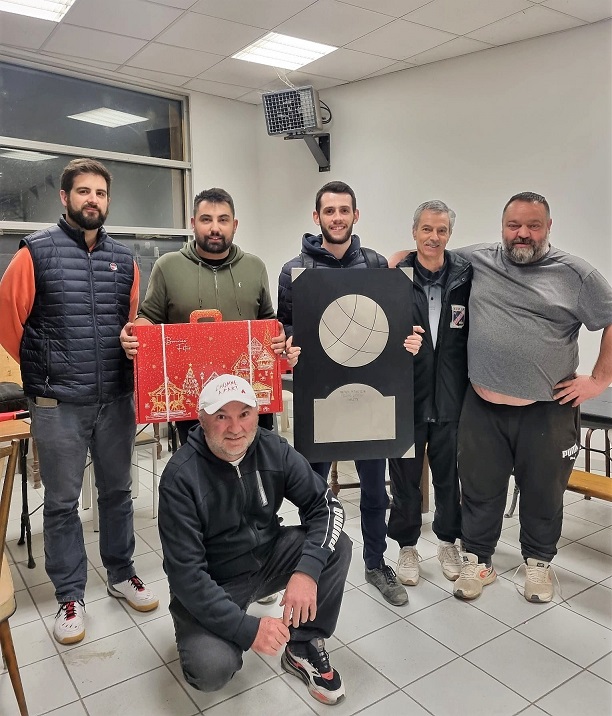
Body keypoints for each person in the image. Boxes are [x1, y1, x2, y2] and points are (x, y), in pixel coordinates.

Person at [0, 158, 158, 645]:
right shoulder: (35, 253)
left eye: (101, 193)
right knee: (64, 503)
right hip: (57, 403)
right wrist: (40, 376)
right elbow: (8, 327)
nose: (93, 200)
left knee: (116, 493)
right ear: (64, 198)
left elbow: (130, 328)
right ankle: (70, 595)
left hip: (115, 397)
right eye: (84, 191)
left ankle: (120, 572)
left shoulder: (125, 260)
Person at [453, 191, 612, 603]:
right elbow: (426, 256)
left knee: (544, 492)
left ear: (548, 228)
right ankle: (477, 561)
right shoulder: (480, 258)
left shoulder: (575, 274)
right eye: (514, 225)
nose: (522, 234)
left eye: (533, 226)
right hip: (481, 407)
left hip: (547, 412)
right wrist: (393, 261)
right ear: (502, 226)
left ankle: (538, 565)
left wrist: (599, 380)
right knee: (478, 489)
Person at [157, 374, 351, 706]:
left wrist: (306, 572)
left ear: (257, 415)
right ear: (202, 419)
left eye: (244, 414)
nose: (236, 428)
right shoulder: (180, 478)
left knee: (335, 547)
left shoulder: (272, 449)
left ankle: (303, 645)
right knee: (211, 670)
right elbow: (186, 576)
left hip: (268, 556)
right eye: (222, 417)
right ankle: (213, 628)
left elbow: (325, 506)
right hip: (215, 581)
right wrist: (249, 630)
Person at [277, 180, 423, 607]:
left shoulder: (376, 263)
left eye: (344, 210)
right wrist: (287, 344)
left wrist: (409, 340)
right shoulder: (294, 269)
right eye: (329, 210)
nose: (337, 217)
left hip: (370, 395)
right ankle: (309, 567)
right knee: (312, 488)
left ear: (355, 216)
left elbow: (397, 324)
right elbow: (283, 324)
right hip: (320, 395)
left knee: (376, 489)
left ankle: (376, 564)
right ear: (316, 216)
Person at [120, 187, 289, 445]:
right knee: (198, 478)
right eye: (206, 219)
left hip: (250, 399)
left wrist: (280, 338)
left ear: (235, 225)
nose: (215, 228)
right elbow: (148, 318)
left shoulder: (255, 267)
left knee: (258, 473)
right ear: (192, 224)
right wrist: (133, 334)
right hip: (194, 405)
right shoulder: (168, 266)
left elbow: (268, 321)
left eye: (223, 220)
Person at [388, 201, 471, 587]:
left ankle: (447, 542)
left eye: (441, 230)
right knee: (404, 480)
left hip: (452, 398)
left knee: (448, 479)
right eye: (426, 229)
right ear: (414, 231)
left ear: (449, 234)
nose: (433, 237)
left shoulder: (466, 277)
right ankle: (406, 547)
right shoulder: (393, 277)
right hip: (407, 398)